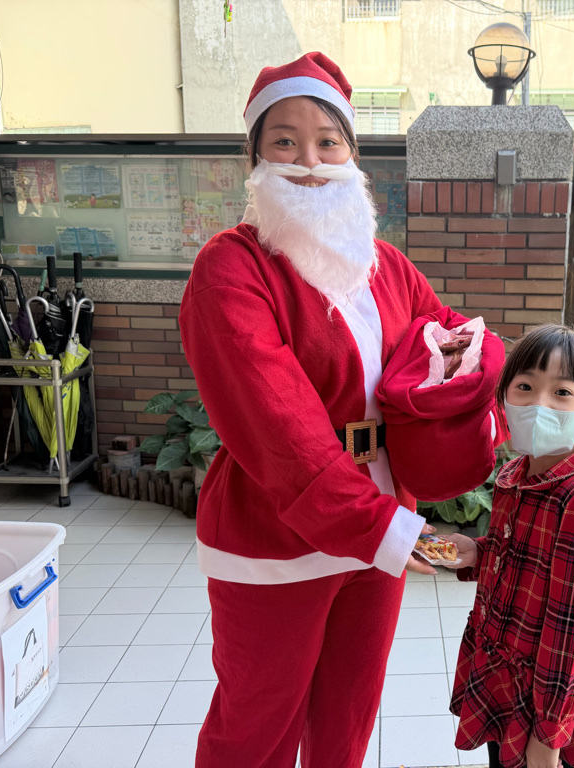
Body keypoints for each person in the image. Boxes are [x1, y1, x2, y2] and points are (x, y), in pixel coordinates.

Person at [179, 52, 442, 768]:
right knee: (256, 731)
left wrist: (499, 384)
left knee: (346, 721)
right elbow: (277, 423)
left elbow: (445, 337)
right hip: (276, 534)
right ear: (256, 157)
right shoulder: (230, 268)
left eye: (328, 141)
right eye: (285, 141)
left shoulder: (384, 266)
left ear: (353, 155)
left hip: (380, 522)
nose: (309, 161)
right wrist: (382, 526)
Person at [444, 325, 574, 768]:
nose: (538, 405)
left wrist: (549, 734)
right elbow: (526, 559)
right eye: (525, 387)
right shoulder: (518, 474)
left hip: (548, 696)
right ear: (504, 398)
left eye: (562, 393)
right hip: (506, 675)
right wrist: (480, 553)